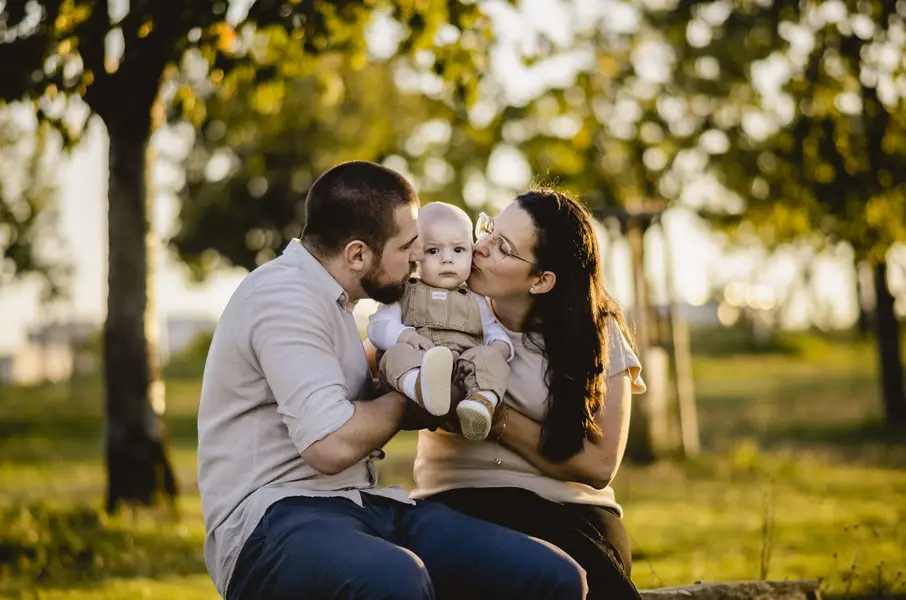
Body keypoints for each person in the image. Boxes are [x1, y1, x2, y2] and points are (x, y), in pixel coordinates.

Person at [197, 162, 587, 600]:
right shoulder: (283, 298)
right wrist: (416, 396)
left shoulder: (338, 302)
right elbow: (330, 444)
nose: (417, 257)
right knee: (397, 578)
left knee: (553, 575)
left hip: (361, 504)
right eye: (407, 246)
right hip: (272, 519)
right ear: (358, 255)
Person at [410, 189, 647, 600]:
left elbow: (599, 466)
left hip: (578, 512)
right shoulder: (443, 308)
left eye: (502, 247)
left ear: (541, 281)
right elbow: (374, 367)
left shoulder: (598, 334)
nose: (480, 246)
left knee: (585, 568)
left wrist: (493, 418)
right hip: (461, 503)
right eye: (488, 229)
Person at [367, 202, 513, 441]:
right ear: (415, 256)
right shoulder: (405, 292)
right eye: (433, 251)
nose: (447, 259)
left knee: (490, 359)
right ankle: (420, 387)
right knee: (395, 355)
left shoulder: (476, 300)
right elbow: (378, 326)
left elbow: (492, 330)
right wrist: (405, 335)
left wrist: (499, 346)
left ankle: (480, 402)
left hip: (463, 370)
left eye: (458, 250)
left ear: (471, 252)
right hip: (419, 362)